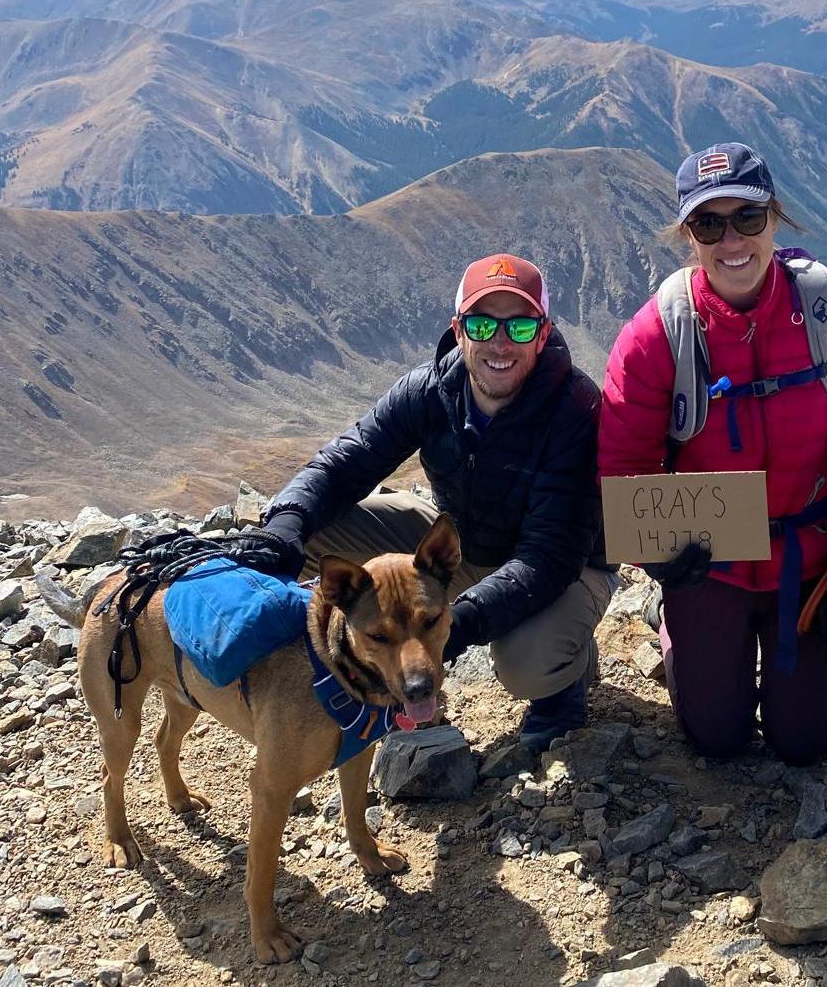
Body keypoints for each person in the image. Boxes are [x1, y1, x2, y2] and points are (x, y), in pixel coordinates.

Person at [599, 143, 827, 765]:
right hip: (708, 566)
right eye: (709, 223)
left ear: (775, 219)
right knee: (717, 737)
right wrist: (660, 555)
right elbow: (622, 462)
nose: (731, 239)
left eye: (748, 217)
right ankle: (678, 632)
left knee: (804, 743)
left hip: (812, 555)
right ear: (689, 234)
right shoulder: (658, 332)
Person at [260, 253, 613, 752]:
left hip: (566, 570)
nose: (499, 341)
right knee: (312, 532)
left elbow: (548, 557)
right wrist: (284, 523)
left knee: (526, 666)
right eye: (483, 323)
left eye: (519, 326)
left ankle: (564, 677)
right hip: (460, 550)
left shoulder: (576, 408)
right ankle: (367, 674)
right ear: (459, 329)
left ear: (542, 332)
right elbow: (349, 459)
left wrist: (454, 626)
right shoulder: (429, 390)